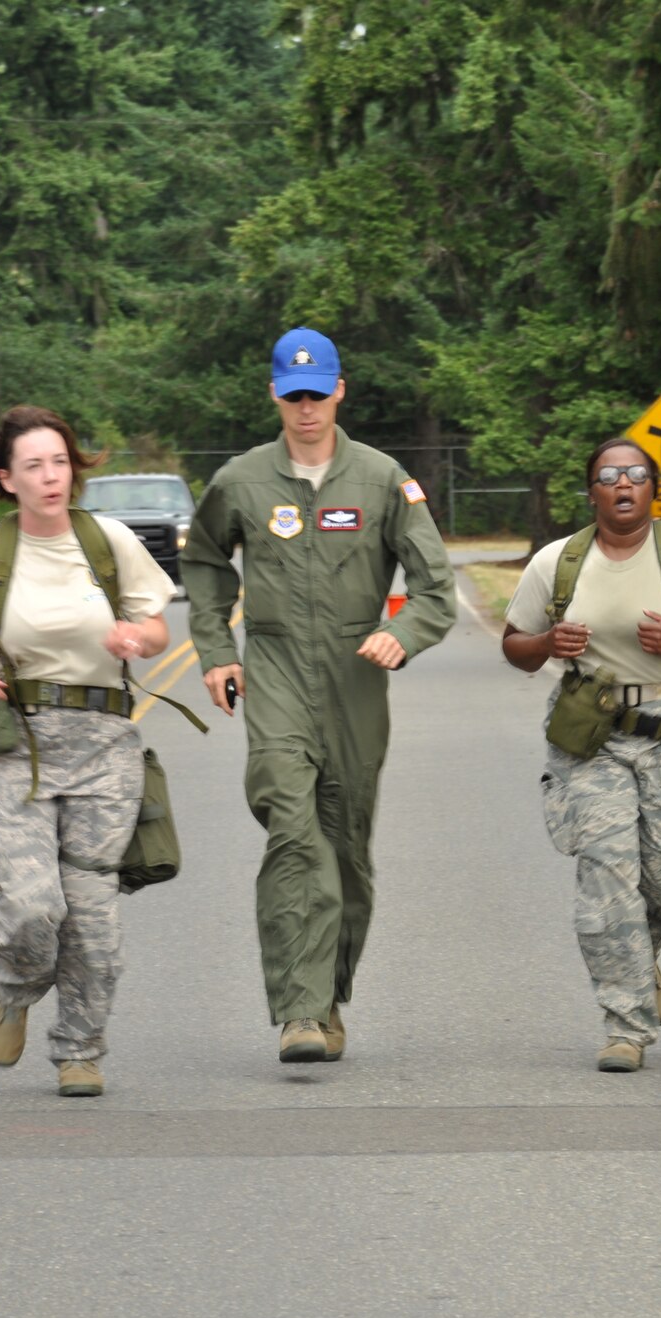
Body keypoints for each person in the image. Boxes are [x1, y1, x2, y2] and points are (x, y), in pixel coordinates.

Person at [182, 328, 456, 1064]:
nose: (306, 409)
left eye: (318, 393)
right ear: (274, 394)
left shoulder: (382, 480)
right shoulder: (240, 481)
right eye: (293, 395)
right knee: (293, 829)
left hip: (356, 677)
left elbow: (435, 587)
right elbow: (205, 564)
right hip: (274, 672)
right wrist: (216, 651)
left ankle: (329, 996)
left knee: (346, 849)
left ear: (341, 391)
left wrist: (405, 633)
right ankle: (299, 1012)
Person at [0, 405, 176, 1098]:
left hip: (104, 751)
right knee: (31, 908)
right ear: (8, 479)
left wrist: (136, 640)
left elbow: (155, 624)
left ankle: (79, 1051)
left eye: (60, 461)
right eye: (34, 466)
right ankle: (15, 986)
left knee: (93, 924)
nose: (51, 476)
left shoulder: (109, 541)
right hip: (15, 753)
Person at [501, 439, 661, 1072]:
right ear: (592, 493)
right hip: (591, 741)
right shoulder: (558, 562)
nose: (623, 484)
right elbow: (515, 646)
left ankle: (639, 959)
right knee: (607, 878)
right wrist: (549, 641)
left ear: (653, 489)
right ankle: (625, 1026)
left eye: (636, 474)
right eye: (609, 476)